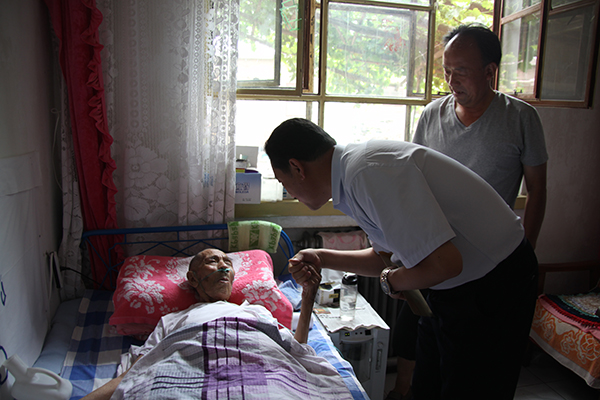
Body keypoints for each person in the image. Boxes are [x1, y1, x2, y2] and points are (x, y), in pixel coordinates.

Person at [265, 117, 539, 400]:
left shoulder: (367, 172)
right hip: (453, 285)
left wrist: (391, 281)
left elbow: (444, 264)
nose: (290, 193)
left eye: (283, 182)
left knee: (471, 390)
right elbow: (385, 257)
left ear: (297, 168)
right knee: (427, 386)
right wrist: (321, 256)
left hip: (496, 281)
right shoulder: (350, 177)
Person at [387, 23, 549, 400]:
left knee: (477, 373)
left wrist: (525, 253)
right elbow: (415, 186)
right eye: (447, 70)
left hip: (492, 266)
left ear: (490, 71)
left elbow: (538, 191)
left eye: (461, 70)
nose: (451, 80)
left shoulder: (521, 118)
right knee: (426, 357)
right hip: (438, 259)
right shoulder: (432, 115)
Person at [81, 248, 341, 400]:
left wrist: (308, 295)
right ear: (193, 279)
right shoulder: (173, 320)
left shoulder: (256, 312)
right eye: (213, 261)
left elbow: (296, 350)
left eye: (228, 262)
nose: (223, 266)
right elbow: (140, 367)